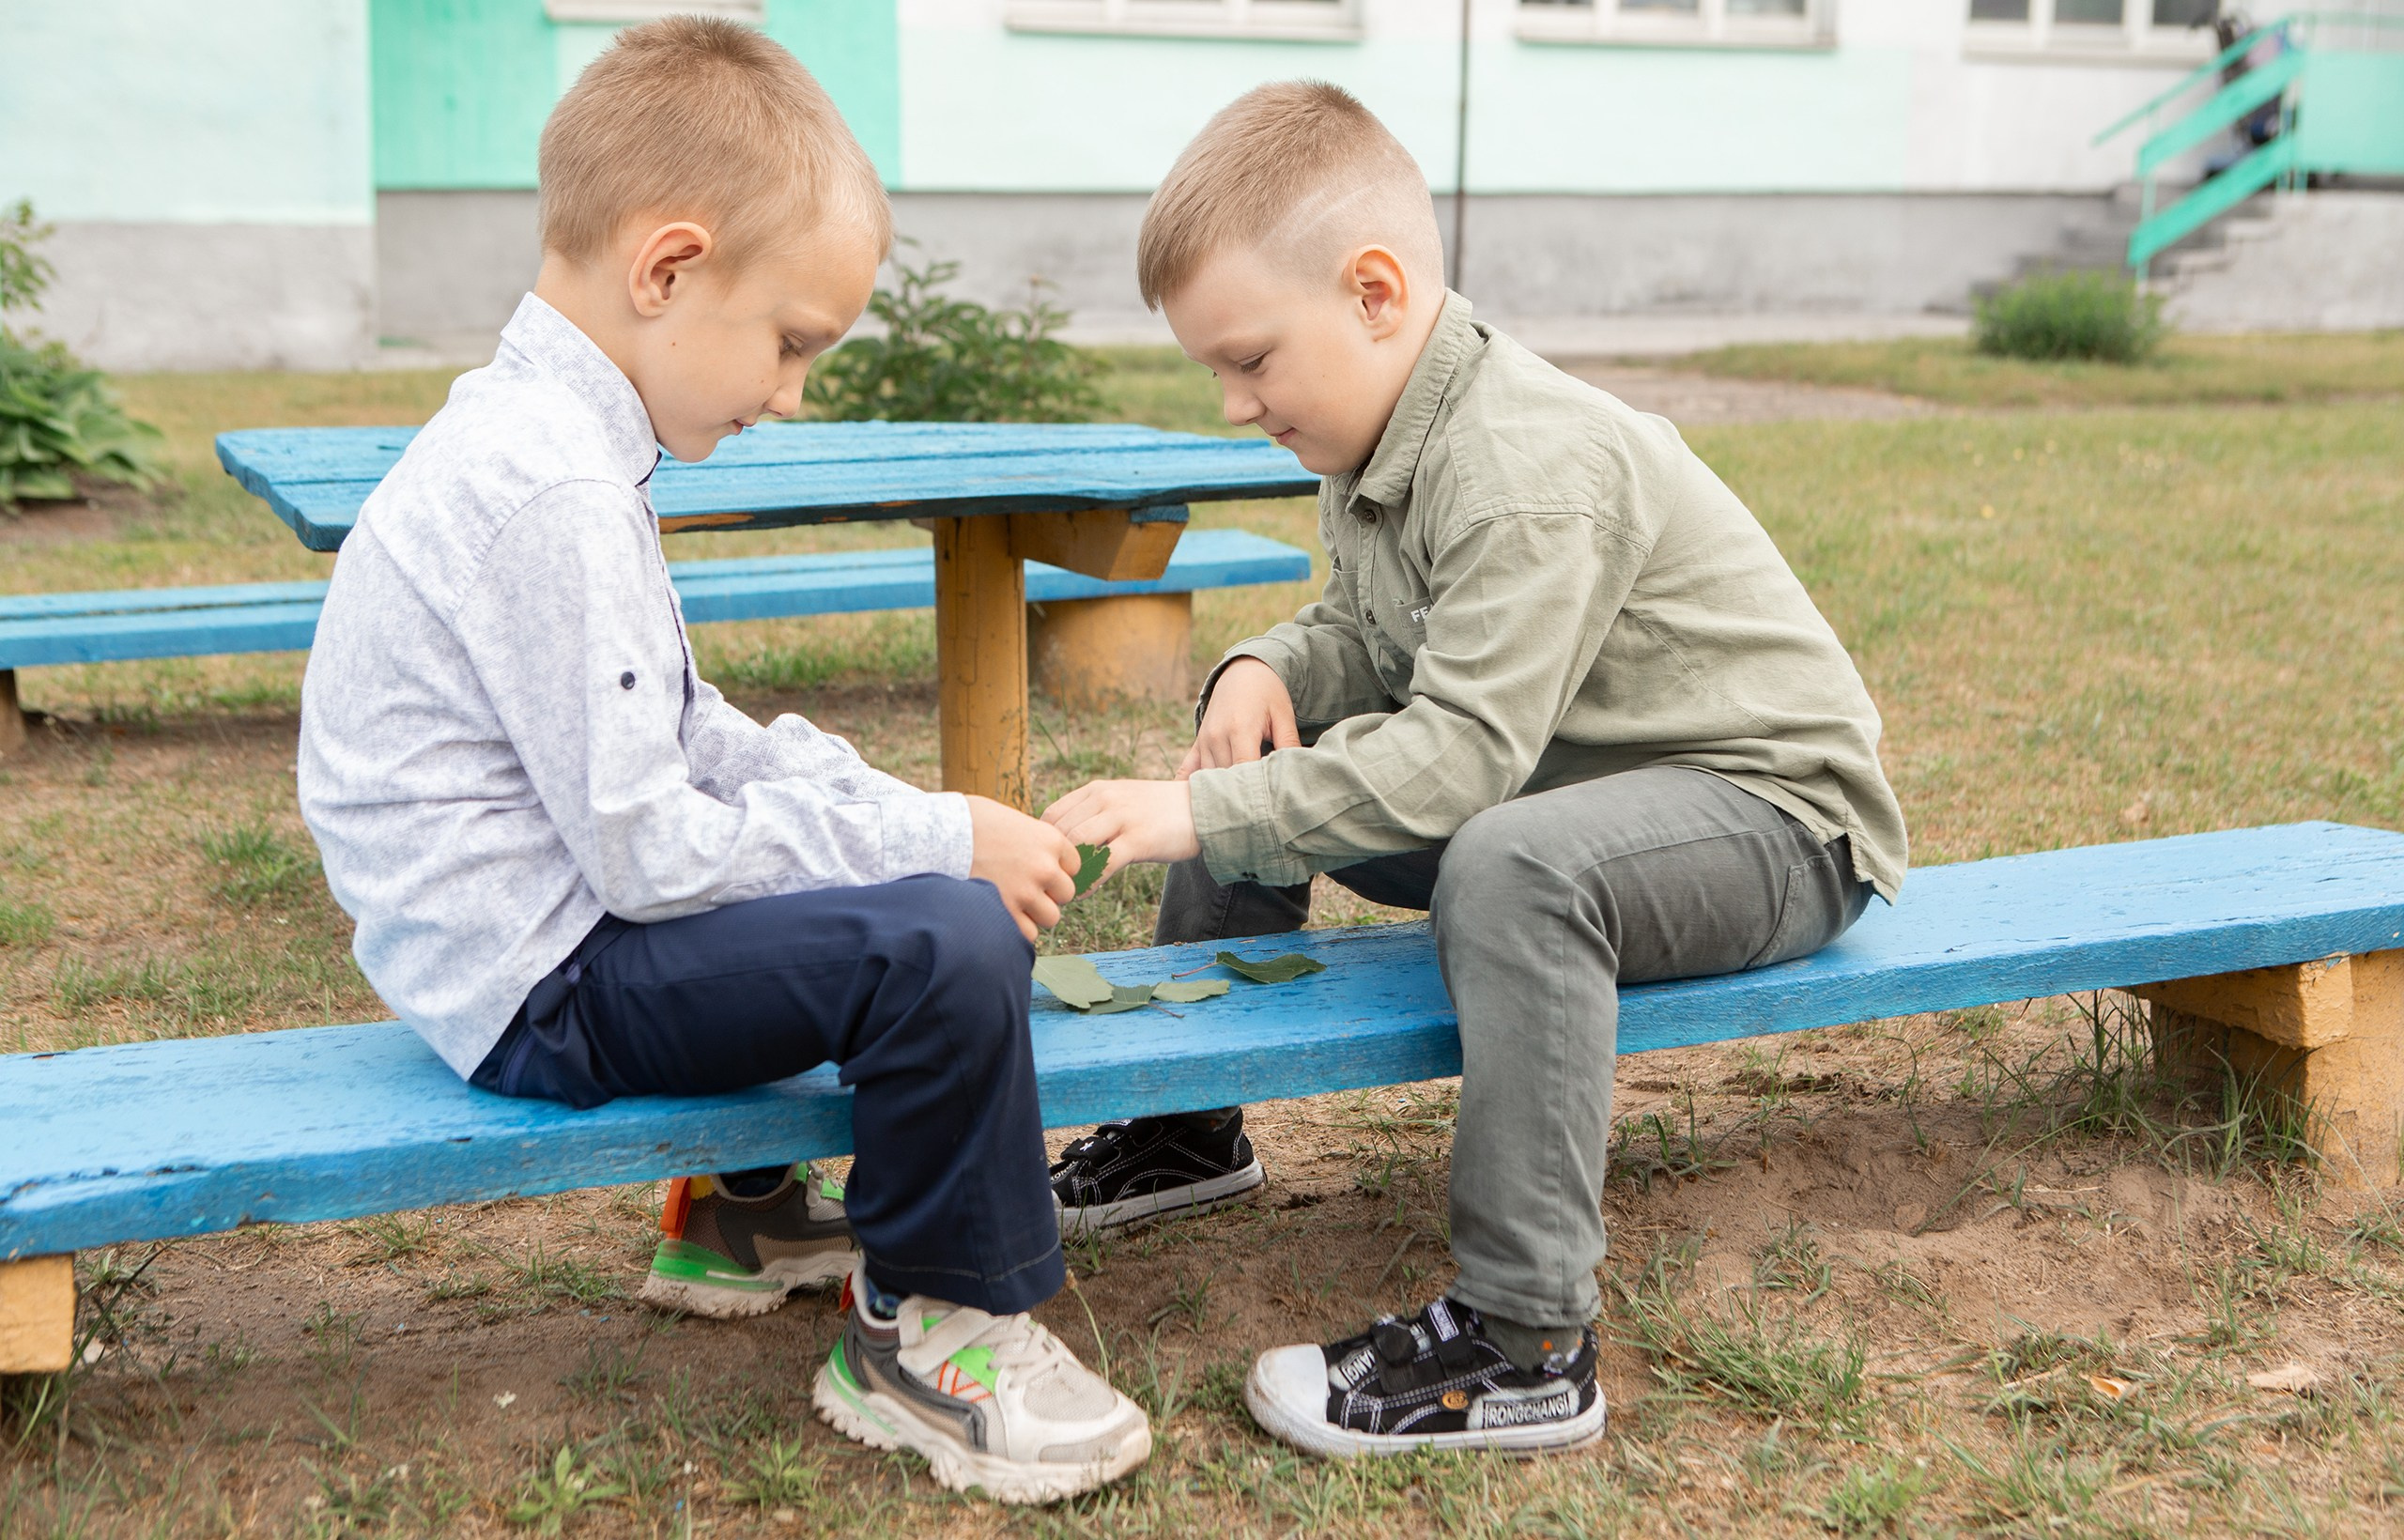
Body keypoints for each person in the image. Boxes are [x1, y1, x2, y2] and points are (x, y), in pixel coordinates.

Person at [294, 18, 1148, 1503]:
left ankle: (744, 1215)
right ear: (668, 270)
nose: (794, 390)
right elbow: (649, 851)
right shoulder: (553, 486)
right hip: (535, 982)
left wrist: (898, 810)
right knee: (940, 948)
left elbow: (696, 738)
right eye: (794, 342)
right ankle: (931, 1329)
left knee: (854, 883)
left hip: (525, 940)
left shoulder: (557, 440)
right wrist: (942, 847)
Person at [1042, 81, 1907, 1458]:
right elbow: (1368, 626)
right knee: (1274, 752)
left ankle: (1524, 1344)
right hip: (1588, 792)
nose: (1232, 401)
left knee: (1509, 865)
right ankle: (1184, 1133)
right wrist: (1265, 668)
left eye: (1251, 360)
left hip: (1775, 820)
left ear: (1375, 293)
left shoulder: (1520, 466)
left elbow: (1459, 760)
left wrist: (1203, 807)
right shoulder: (1376, 423)